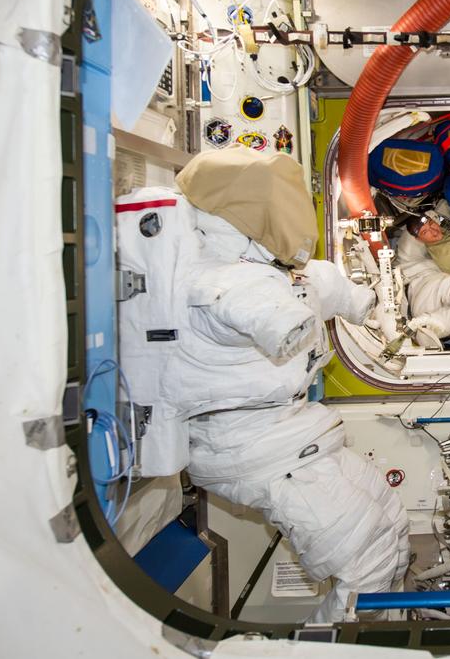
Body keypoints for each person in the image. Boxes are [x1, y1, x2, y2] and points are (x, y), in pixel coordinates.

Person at [116, 147, 409, 621]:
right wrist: (287, 318)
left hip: (295, 435)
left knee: (390, 522)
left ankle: (390, 633)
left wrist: (368, 301)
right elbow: (260, 310)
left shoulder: (274, 272)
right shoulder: (222, 282)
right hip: (251, 449)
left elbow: (330, 289)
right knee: (366, 569)